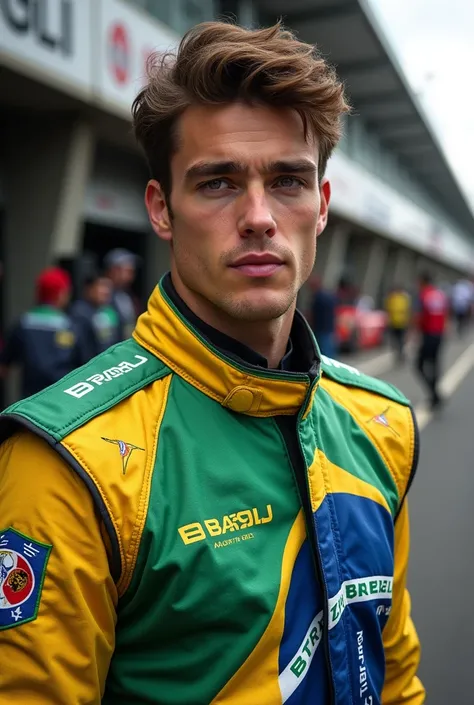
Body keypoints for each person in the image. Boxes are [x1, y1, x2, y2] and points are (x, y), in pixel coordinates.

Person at [0, 22, 424, 704]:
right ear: (162, 209)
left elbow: (395, 666)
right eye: (219, 182)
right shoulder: (70, 465)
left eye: (287, 180)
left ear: (319, 207)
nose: (258, 216)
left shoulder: (383, 421)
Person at [0, 267, 87, 400]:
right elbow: (84, 368)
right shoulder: (71, 326)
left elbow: (4, 366)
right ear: (61, 293)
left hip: (30, 402)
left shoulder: (23, 324)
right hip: (64, 399)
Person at [415, 272, 448, 409]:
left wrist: (415, 334)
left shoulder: (424, 295)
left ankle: (435, 395)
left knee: (419, 365)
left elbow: (420, 316)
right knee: (434, 363)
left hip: (429, 334)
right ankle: (435, 395)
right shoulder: (439, 295)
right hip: (439, 334)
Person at [70, 272, 121, 361]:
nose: (106, 291)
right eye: (101, 286)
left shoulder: (110, 311)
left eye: (108, 287)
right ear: (89, 289)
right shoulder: (79, 312)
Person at [104, 248, 141, 340]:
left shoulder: (128, 296)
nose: (131, 276)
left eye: (132, 272)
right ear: (113, 271)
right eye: (128, 271)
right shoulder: (102, 296)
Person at [308, 274, 337, 358]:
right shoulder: (328, 296)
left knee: (323, 352)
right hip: (328, 328)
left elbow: (312, 314)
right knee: (328, 352)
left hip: (321, 329)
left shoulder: (318, 297)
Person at [384, 284, 412, 364]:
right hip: (397, 323)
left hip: (399, 323)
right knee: (398, 340)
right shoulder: (399, 299)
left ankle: (400, 353)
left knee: (399, 340)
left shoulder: (394, 299)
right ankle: (400, 353)